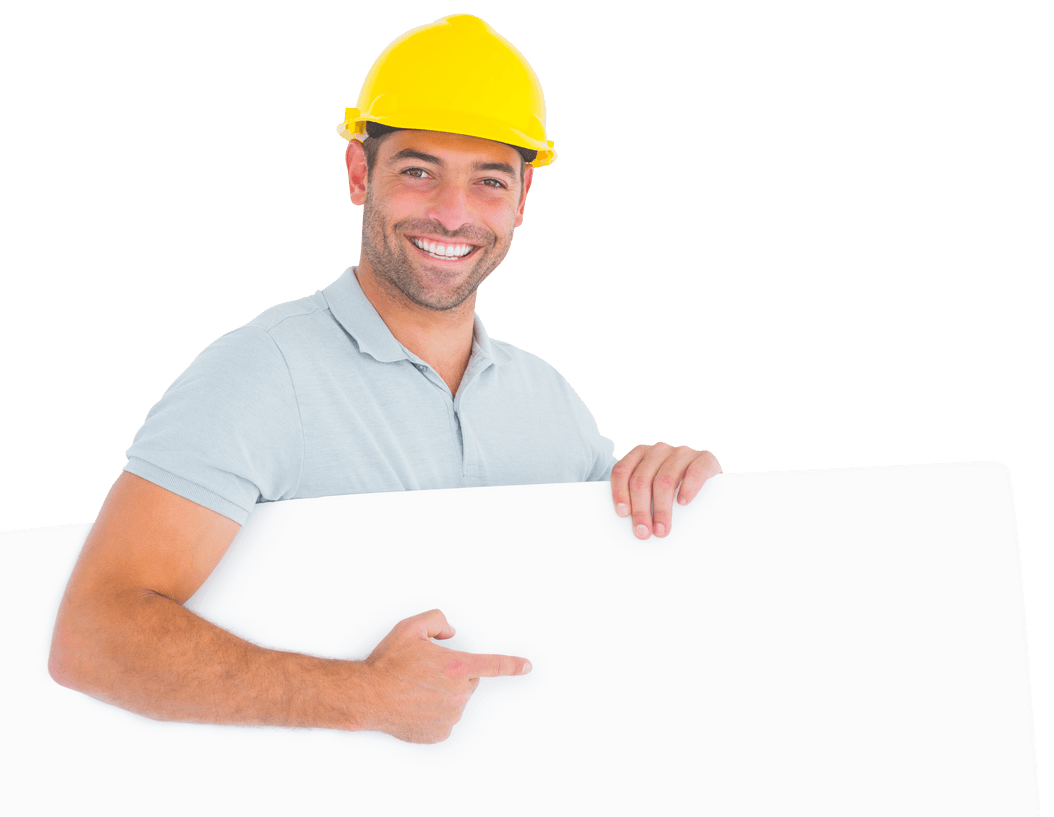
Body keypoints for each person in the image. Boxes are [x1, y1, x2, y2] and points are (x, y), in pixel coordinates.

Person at [48, 13, 721, 745]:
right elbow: (93, 636)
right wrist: (361, 694)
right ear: (359, 174)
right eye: (417, 170)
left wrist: (677, 488)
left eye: (489, 180)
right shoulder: (260, 376)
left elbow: (618, 610)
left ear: (522, 200)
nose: (453, 212)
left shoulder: (552, 403)